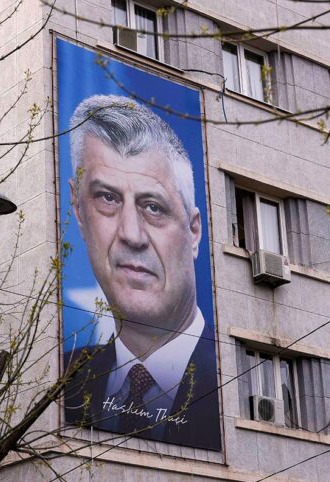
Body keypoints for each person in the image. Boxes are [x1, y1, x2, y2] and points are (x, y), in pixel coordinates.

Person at [63, 95, 220, 451]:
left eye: (153, 207)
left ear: (194, 231)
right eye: (107, 198)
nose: (131, 234)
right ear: (78, 210)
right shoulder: (63, 380)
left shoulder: (237, 379)